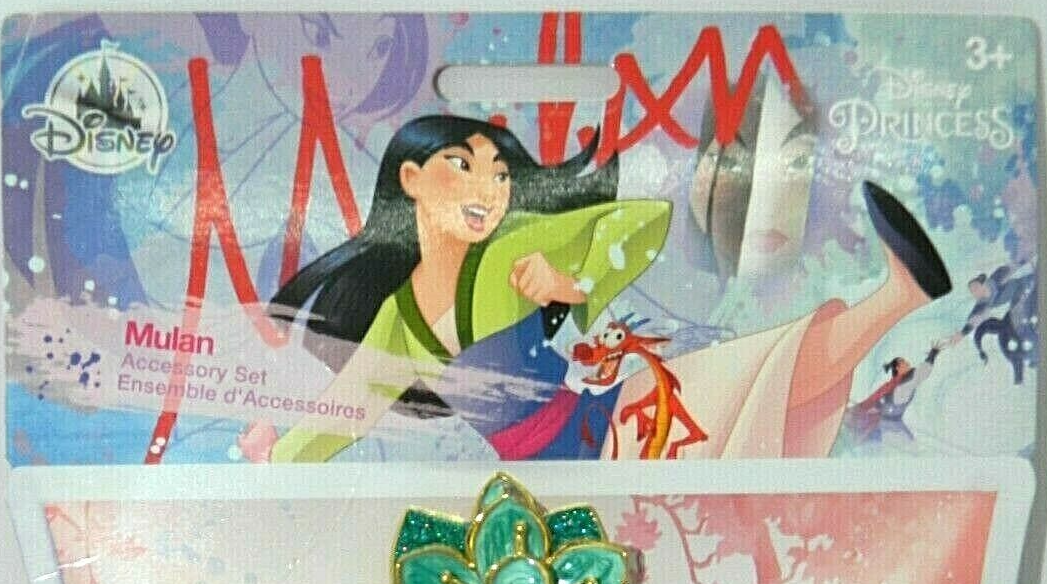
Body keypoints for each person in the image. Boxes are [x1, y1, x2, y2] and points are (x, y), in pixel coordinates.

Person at [262, 112, 952, 462]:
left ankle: (901, 294)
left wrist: (573, 283)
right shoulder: (399, 319)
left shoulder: (511, 249)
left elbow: (644, 219)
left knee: (756, 372)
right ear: (410, 179)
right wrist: (276, 459)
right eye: (462, 166)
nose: (490, 188)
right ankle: (900, 295)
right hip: (564, 483)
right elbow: (343, 414)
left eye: (499, 174)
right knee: (754, 393)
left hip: (618, 426)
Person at [844, 346, 943, 444]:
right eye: (903, 362)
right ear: (897, 368)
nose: (907, 363)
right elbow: (921, 373)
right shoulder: (897, 384)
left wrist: (932, 356)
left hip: (887, 424)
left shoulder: (901, 382)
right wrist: (932, 355)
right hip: (884, 426)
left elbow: (920, 373)